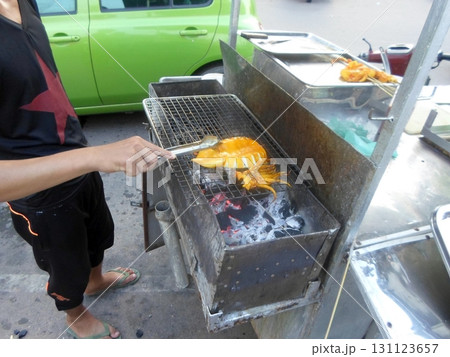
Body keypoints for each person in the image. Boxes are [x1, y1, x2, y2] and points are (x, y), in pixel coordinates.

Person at [0, 0, 174, 339]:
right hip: (39, 190)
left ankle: (96, 282)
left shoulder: (23, 2)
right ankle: (76, 316)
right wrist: (95, 157)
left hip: (77, 150)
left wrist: (90, 156)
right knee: (66, 265)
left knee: (98, 233)